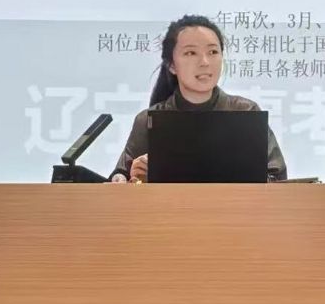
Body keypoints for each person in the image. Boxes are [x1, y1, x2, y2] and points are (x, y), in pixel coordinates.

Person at [112, 14, 287, 183]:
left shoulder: (246, 112)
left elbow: (276, 178)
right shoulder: (148, 120)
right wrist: (133, 177)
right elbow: (120, 179)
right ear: (171, 65)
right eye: (191, 53)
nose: (204, 62)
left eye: (213, 51)